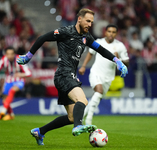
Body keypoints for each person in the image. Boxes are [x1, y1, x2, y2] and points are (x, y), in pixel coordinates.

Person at [17, 8, 128, 146]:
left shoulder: (87, 38)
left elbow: (101, 50)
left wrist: (117, 61)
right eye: (87, 21)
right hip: (64, 74)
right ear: (79, 19)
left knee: (71, 117)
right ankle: (78, 126)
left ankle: (40, 131)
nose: (89, 24)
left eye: (92, 22)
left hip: (68, 76)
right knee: (82, 100)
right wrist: (29, 56)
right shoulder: (65, 32)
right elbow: (42, 38)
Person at [78, 24, 129, 125]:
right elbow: (90, 53)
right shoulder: (98, 42)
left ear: (116, 34)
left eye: (113, 32)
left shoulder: (120, 46)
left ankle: (81, 116)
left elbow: (127, 62)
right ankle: (88, 120)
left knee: (96, 97)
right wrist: (83, 66)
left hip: (109, 78)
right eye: (109, 31)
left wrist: (120, 59)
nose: (111, 34)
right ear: (105, 32)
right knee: (99, 91)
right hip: (96, 72)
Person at [0, 46, 31, 120]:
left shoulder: (20, 59)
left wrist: (20, 74)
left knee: (12, 90)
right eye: (8, 54)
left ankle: (3, 111)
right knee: (4, 100)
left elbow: (29, 73)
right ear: (5, 54)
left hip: (19, 80)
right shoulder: (3, 60)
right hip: (8, 81)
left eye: (11, 54)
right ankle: (11, 114)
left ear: (14, 54)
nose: (9, 56)